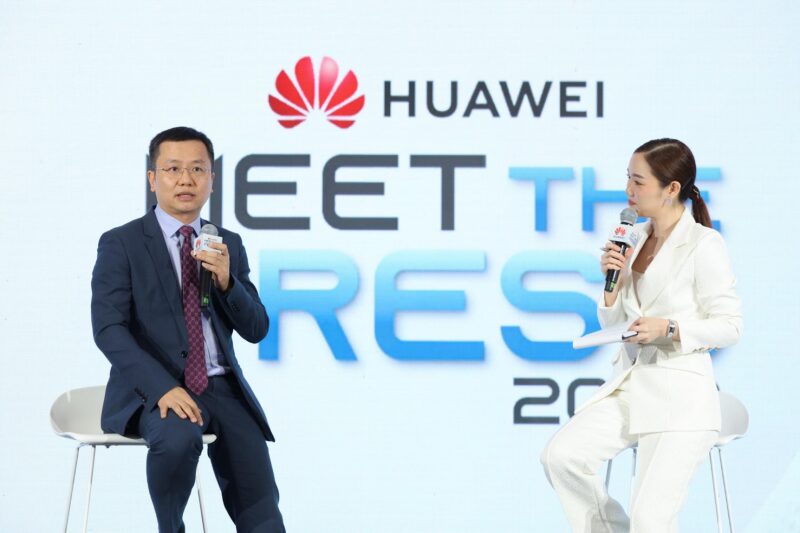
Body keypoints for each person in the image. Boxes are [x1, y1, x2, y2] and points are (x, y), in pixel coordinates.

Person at [540, 138, 742, 532]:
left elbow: (730, 325)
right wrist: (612, 286)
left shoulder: (703, 244)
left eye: (638, 181)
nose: (628, 190)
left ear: (671, 188)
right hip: (633, 386)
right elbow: (616, 325)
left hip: (680, 399)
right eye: (627, 179)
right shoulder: (635, 237)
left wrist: (670, 328)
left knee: (650, 520)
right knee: (560, 457)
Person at [91, 126, 284, 533]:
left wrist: (228, 284)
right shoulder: (122, 243)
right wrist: (161, 388)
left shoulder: (226, 242)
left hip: (222, 387)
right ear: (152, 178)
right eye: (173, 169)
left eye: (197, 169)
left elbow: (257, 328)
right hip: (156, 390)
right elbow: (108, 329)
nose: (185, 179)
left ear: (211, 179)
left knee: (262, 508)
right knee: (178, 440)